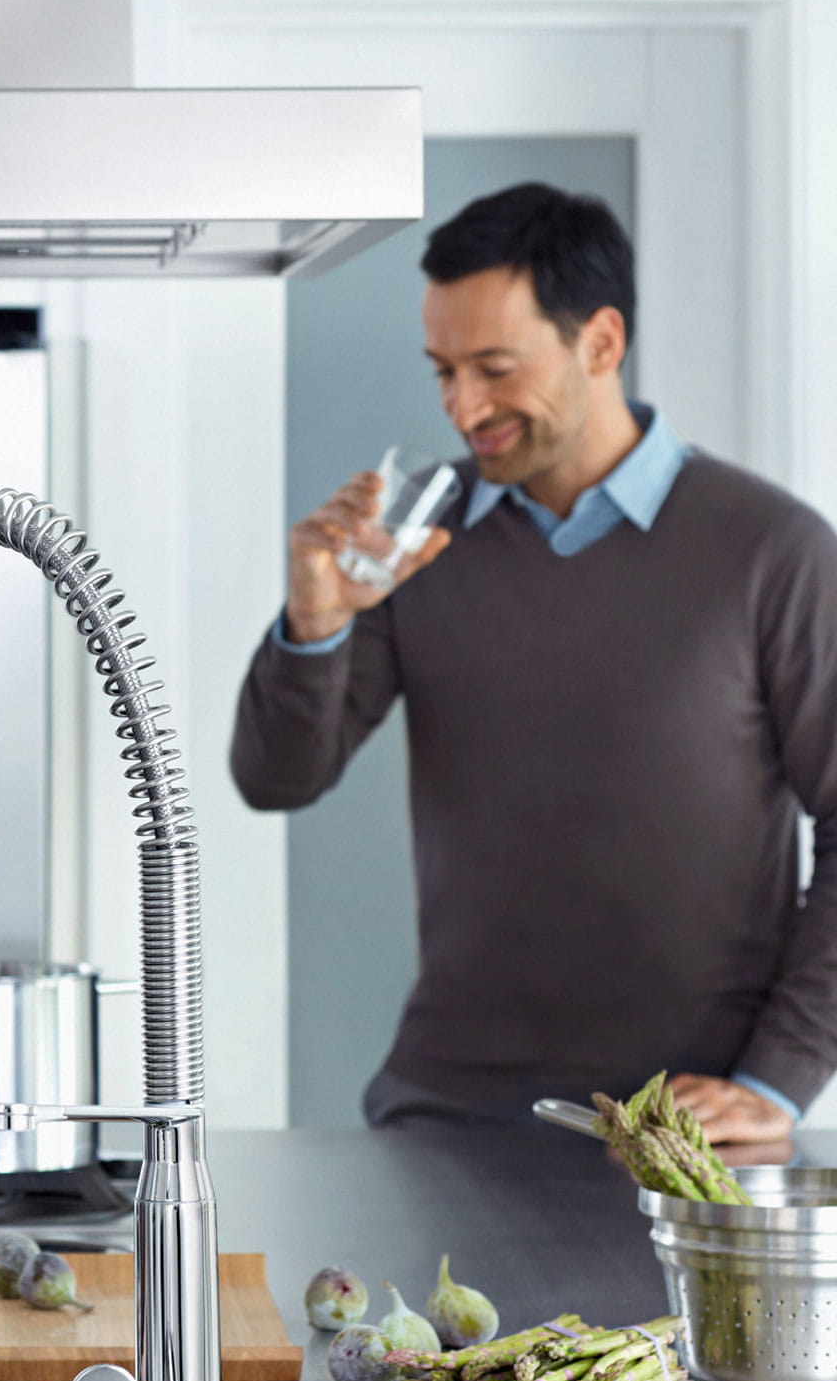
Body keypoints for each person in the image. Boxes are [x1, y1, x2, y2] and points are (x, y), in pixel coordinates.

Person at [231, 182, 837, 1140]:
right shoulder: (416, 534)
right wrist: (315, 623)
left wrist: (780, 1076)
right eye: (441, 370)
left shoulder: (773, 550)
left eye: (494, 368)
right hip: (445, 1113)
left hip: (688, 1129)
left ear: (599, 343)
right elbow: (276, 778)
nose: (463, 407)